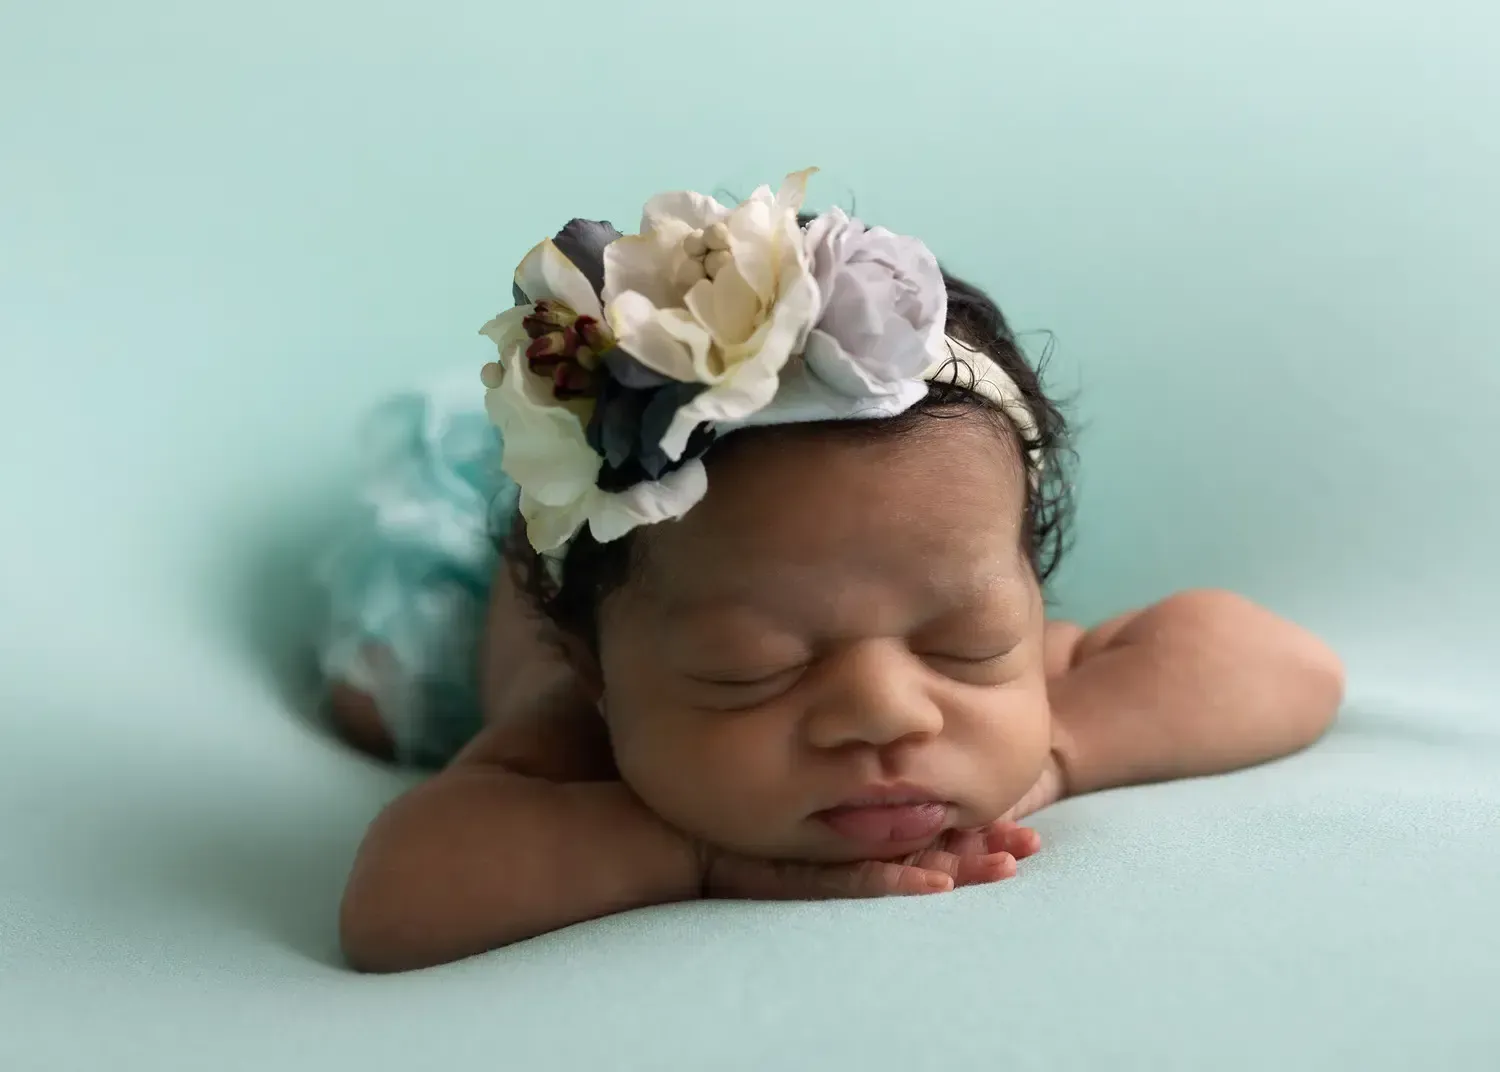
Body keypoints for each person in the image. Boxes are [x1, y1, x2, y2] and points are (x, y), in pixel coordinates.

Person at [320, 170, 1344, 973]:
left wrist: (1060, 748)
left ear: (1029, 599)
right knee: (378, 703)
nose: (888, 711)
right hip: (482, 594)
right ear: (597, 669)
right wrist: (700, 859)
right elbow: (391, 901)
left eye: (965, 641)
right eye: (747, 666)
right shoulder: (569, 732)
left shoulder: (1009, 661)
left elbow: (1290, 668)